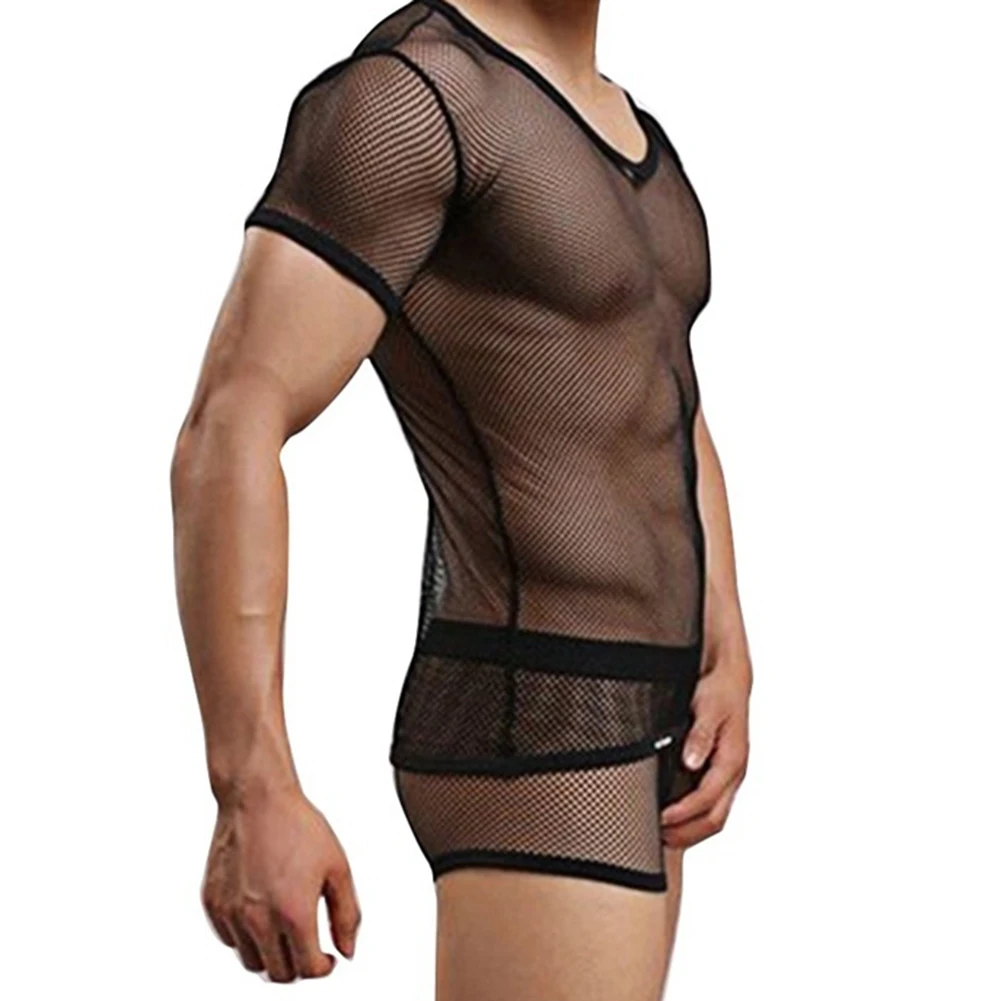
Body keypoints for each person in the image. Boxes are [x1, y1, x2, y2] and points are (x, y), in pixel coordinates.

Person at [170, 0, 752, 997]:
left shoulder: (628, 128)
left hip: (645, 708)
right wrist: (250, 787)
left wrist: (724, 641)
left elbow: (661, 403)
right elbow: (231, 423)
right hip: (532, 710)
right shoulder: (411, 99)